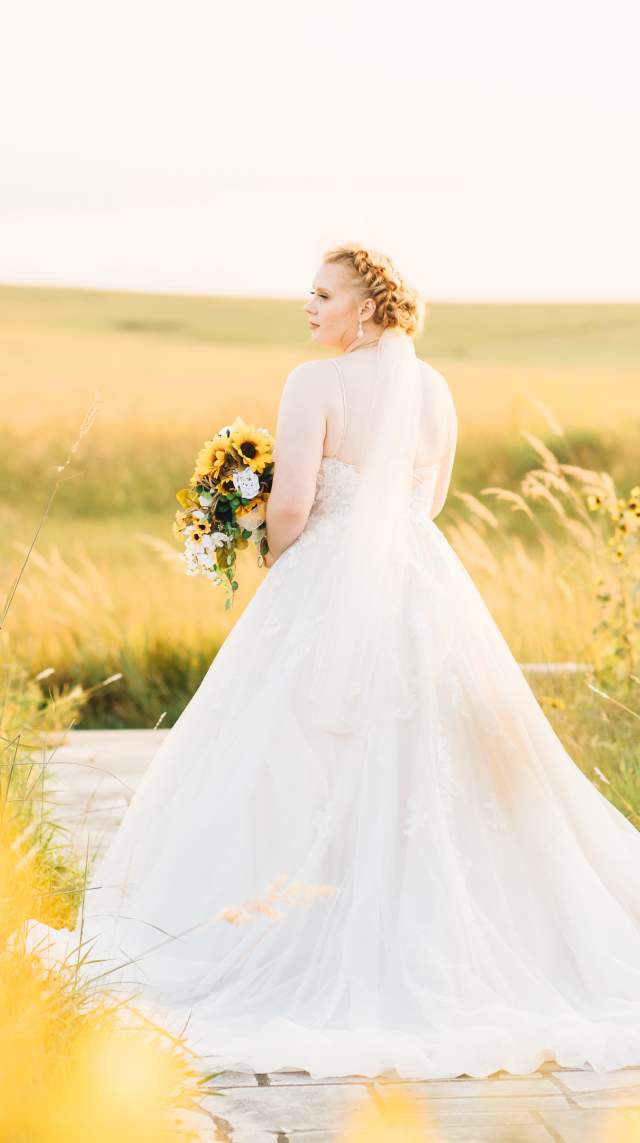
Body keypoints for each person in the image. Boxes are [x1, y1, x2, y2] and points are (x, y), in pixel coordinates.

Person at [24, 243, 640, 1081]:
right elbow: (432, 498)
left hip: (325, 576)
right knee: (424, 760)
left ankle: (291, 923)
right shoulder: (433, 388)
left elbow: (291, 503)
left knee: (291, 748)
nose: (306, 306)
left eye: (322, 294)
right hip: (423, 586)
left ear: (363, 309)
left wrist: (275, 556)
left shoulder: (311, 385)